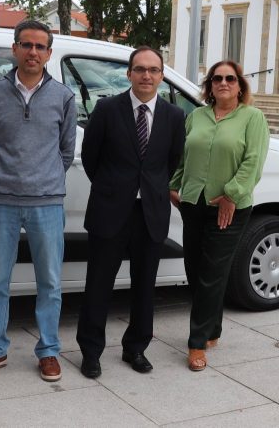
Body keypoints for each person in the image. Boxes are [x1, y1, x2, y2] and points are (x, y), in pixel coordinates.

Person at [0, 19, 77, 383]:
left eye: (40, 47)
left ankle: (48, 351)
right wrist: (10, 174)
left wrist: (42, 178)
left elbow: (65, 152)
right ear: (14, 48)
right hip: (0, 200)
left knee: (49, 281)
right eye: (26, 45)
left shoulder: (63, 97)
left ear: (49, 53)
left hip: (46, 202)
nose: (33, 52)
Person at [75, 47, 185, 379]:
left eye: (153, 70)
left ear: (162, 76)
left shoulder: (174, 116)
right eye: (139, 69)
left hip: (150, 213)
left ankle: (135, 348)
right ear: (129, 74)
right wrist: (115, 188)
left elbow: (172, 162)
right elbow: (91, 157)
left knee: (144, 286)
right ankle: (91, 352)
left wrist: (148, 189)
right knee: (98, 284)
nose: (146, 76)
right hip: (110, 210)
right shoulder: (107, 109)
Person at [169, 60, 269, 372]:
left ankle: (196, 343)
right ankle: (212, 328)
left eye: (229, 78)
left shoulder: (253, 118)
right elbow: (184, 156)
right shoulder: (197, 116)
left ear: (240, 85)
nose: (222, 83)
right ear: (210, 85)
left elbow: (254, 161)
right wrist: (174, 188)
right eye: (216, 79)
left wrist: (231, 195)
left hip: (230, 207)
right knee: (196, 268)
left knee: (212, 272)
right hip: (193, 203)